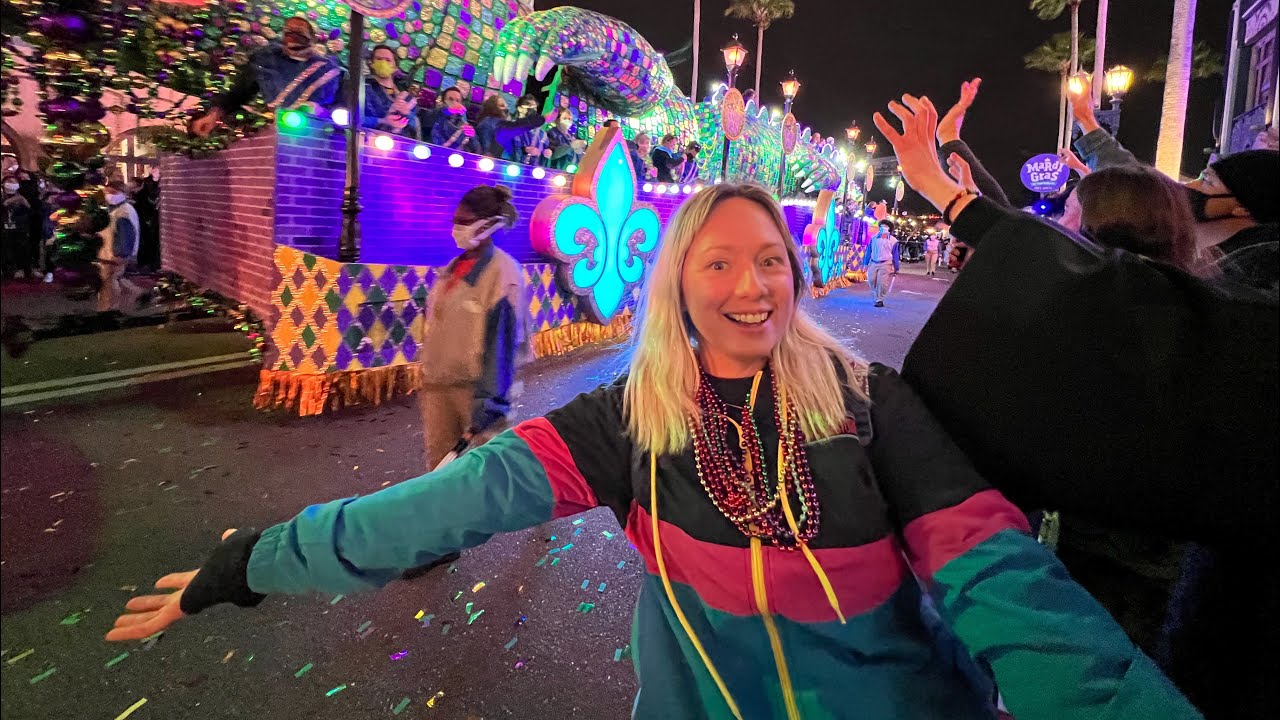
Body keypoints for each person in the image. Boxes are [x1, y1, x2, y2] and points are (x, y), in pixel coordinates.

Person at [106, 182, 1201, 720]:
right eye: (718, 263)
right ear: (677, 281)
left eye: (769, 260)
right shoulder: (626, 419)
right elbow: (448, 504)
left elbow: (1006, 585)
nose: (751, 285)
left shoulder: (871, 404)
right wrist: (254, 562)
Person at [877, 81, 1278, 720]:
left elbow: (1073, 281)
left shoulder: (1228, 302)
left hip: (1136, 624)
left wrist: (950, 194)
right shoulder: (1209, 288)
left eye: (1068, 220)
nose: (1192, 188)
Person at [1067, 73, 1278, 293]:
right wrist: (1087, 121)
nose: (1187, 187)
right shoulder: (1207, 267)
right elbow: (1141, 187)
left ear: (1242, 207)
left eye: (1206, 182)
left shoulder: (1254, 278)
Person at [189, 17, 343, 137]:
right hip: (273, 131)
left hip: (319, 136)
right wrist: (214, 115)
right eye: (288, 33)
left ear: (313, 39)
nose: (293, 37)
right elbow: (239, 93)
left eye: (299, 33)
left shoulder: (330, 70)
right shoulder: (267, 60)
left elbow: (344, 111)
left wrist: (320, 112)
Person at [95, 180, 143, 312]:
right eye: (107, 192)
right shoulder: (114, 209)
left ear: (123, 193)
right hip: (108, 252)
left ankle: (109, 309)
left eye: (113, 192)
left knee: (109, 283)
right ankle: (138, 293)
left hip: (114, 255)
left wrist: (120, 254)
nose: (109, 195)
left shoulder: (123, 213)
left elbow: (125, 236)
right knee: (114, 279)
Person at [363, 44, 419, 138]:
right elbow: (352, 118)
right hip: (366, 139)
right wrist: (382, 121)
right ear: (371, 64)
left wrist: (408, 114)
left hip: (398, 143)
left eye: (388, 60)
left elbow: (414, 127)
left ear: (395, 67)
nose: (383, 63)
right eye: (379, 59)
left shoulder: (406, 97)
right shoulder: (362, 87)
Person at [475, 95, 554, 159]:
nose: (506, 108)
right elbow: (514, 127)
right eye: (502, 106)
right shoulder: (490, 122)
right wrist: (542, 119)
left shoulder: (540, 132)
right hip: (488, 160)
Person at [2, 175, 34, 279]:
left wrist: (25, 203)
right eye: (9, 181)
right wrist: (6, 203)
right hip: (4, 226)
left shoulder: (22, 197)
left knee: (22, 247)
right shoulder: (3, 197)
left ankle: (23, 269)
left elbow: (31, 212)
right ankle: (8, 269)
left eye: (14, 182)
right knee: (6, 248)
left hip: (20, 227)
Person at [430, 87, 480, 152]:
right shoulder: (435, 114)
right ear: (443, 101)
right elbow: (432, 119)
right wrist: (449, 111)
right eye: (450, 99)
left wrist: (471, 136)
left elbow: (477, 149)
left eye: (457, 101)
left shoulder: (463, 123)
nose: (454, 103)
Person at [132, 168, 161, 272]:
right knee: (149, 241)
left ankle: (149, 264)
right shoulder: (147, 184)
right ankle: (149, 264)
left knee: (150, 242)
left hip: (149, 219)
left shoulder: (148, 185)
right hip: (148, 218)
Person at [864, 218, 898, 307]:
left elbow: (895, 254)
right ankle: (876, 295)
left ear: (889, 228)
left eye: (885, 226)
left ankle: (879, 299)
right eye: (881, 226)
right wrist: (865, 263)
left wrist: (896, 267)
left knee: (882, 283)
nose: (883, 227)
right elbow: (869, 251)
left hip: (886, 263)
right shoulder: (874, 238)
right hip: (873, 262)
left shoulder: (893, 240)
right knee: (871, 281)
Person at [507, 94, 547, 164]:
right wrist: (524, 149)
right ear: (519, 108)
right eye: (529, 106)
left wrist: (546, 151)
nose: (533, 109)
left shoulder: (540, 132)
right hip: (511, 165)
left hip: (533, 168)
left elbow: (545, 147)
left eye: (535, 107)